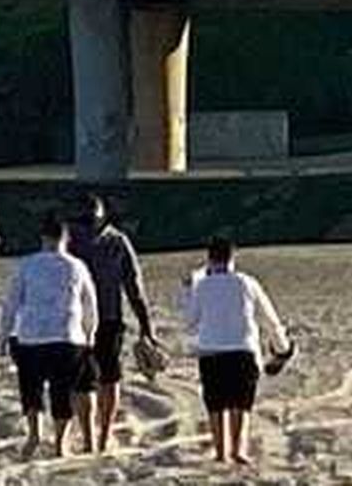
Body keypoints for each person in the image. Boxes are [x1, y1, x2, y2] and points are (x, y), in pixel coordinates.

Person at [0, 215, 99, 461]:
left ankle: (34, 435)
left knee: (31, 390)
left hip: (31, 336)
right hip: (67, 336)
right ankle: (60, 443)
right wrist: (90, 334)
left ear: (42, 238)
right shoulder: (76, 266)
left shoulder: (27, 265)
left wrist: (4, 334)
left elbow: (12, 302)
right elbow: (89, 304)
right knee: (61, 391)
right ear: (66, 239)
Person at [184, 237, 290, 466]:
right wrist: (282, 347)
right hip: (243, 350)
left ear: (209, 258)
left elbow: (190, 321)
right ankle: (238, 450)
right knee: (240, 403)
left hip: (211, 351)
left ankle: (221, 451)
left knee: (216, 403)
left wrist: (189, 290)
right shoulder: (246, 282)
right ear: (233, 258)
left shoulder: (202, 285)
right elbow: (268, 317)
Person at [68, 194, 158, 453]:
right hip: (81, 321)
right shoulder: (73, 240)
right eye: (84, 221)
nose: (87, 227)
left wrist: (146, 327)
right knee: (86, 381)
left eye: (90, 220)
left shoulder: (116, 242)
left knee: (106, 377)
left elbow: (134, 287)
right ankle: (89, 437)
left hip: (105, 319)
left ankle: (102, 435)